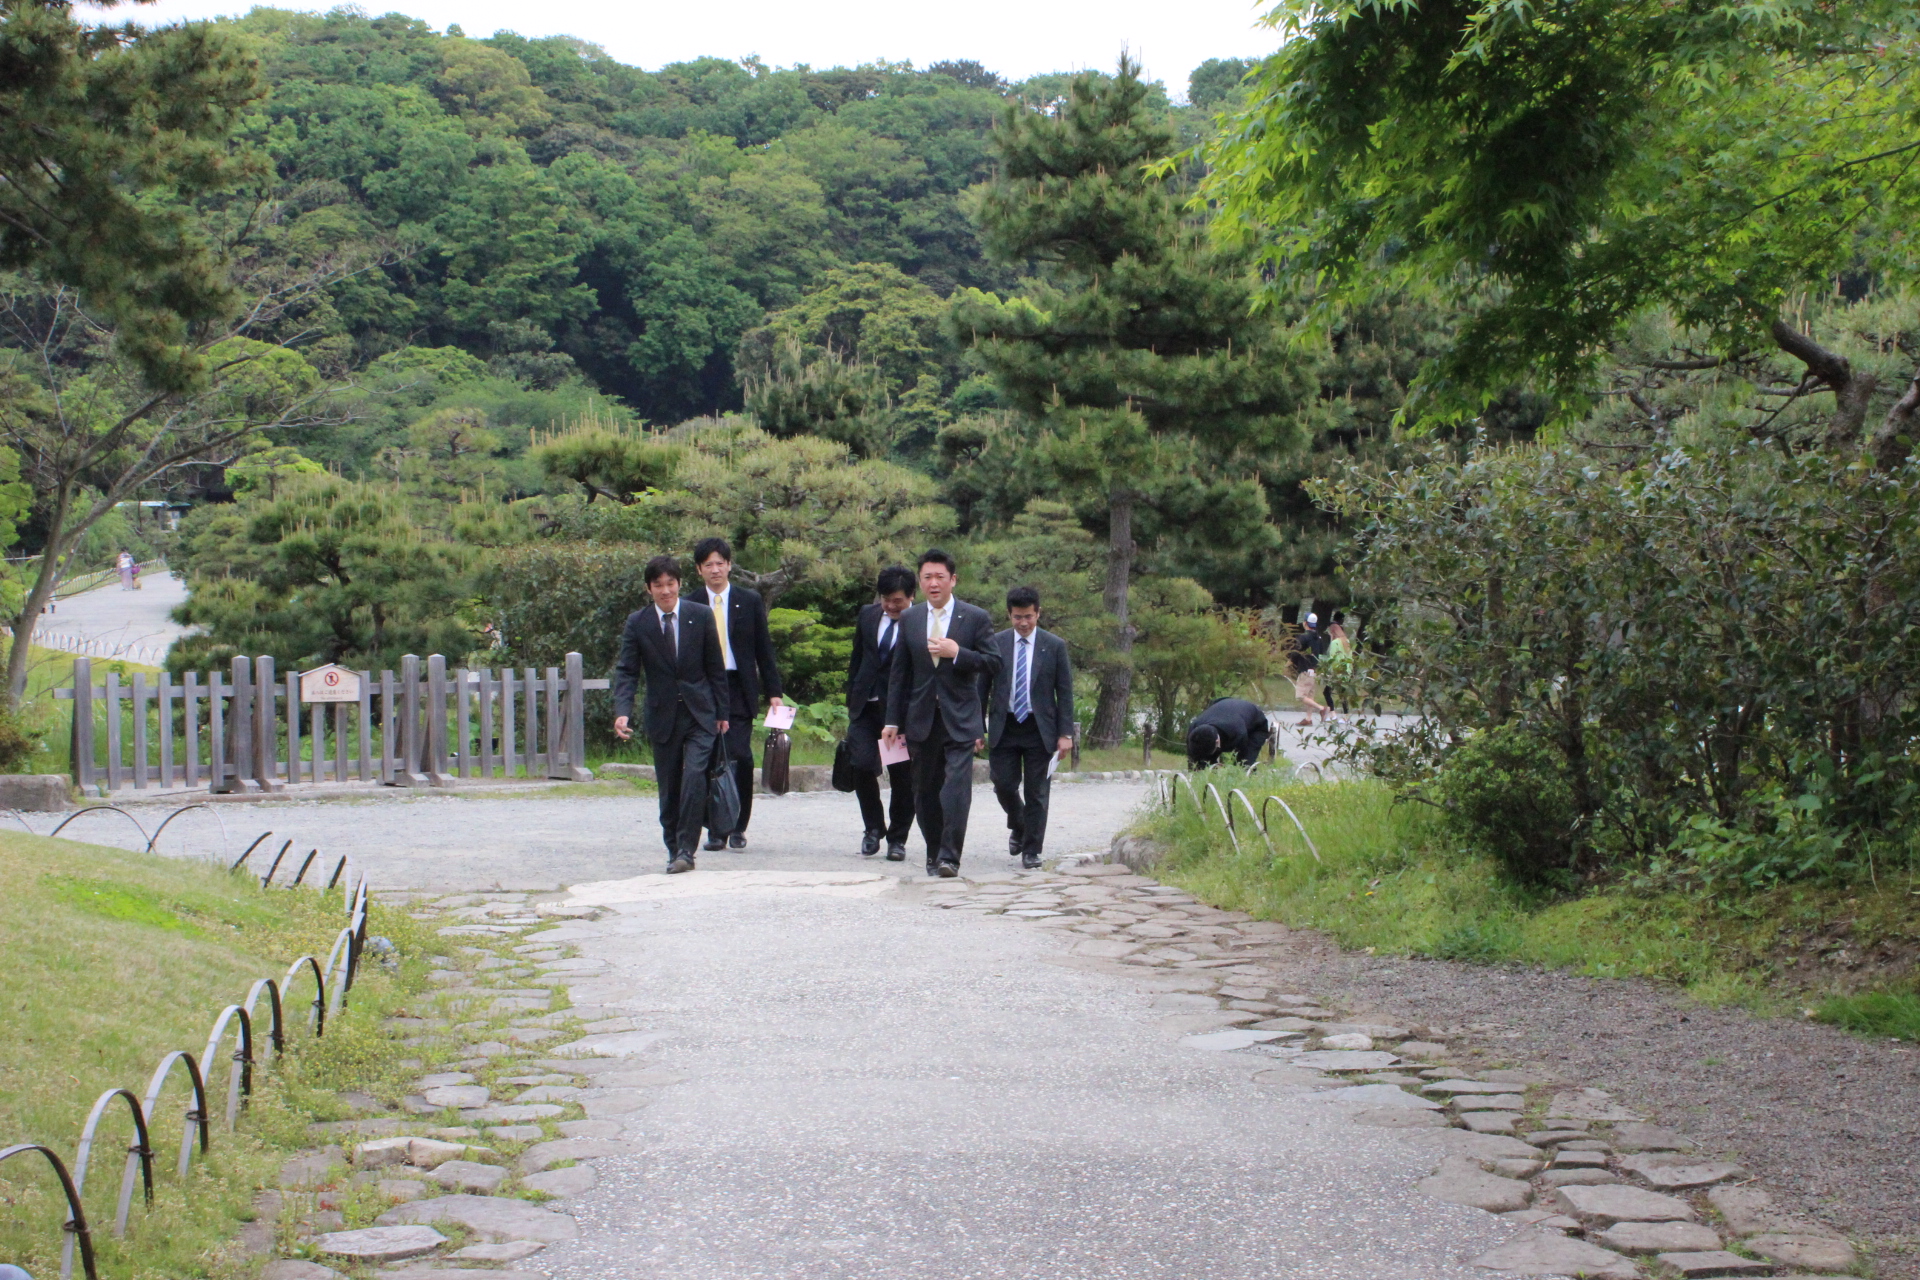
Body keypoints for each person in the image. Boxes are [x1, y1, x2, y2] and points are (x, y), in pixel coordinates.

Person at [882, 549, 1002, 877]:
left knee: (956, 789)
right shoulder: (910, 618)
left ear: (953, 580)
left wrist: (958, 652)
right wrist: (892, 720)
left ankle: (950, 857)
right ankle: (934, 851)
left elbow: (994, 662)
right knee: (924, 791)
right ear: (920, 582)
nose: (933, 583)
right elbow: (900, 673)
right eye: (927, 577)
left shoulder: (974, 617)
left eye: (940, 577)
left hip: (960, 717)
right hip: (921, 717)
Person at [612, 554, 728, 874]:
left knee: (694, 777)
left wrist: (722, 711)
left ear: (679, 584)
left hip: (700, 713)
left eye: (671, 583)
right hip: (662, 714)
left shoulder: (700, 615)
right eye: (658, 585)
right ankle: (674, 847)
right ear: (648, 588)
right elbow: (627, 671)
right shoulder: (639, 623)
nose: (665, 591)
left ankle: (687, 849)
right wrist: (622, 712)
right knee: (670, 785)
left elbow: (715, 667)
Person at [690, 537, 784, 851]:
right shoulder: (691, 603)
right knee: (708, 758)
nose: (715, 569)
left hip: (738, 687)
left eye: (720, 563)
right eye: (708, 565)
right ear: (699, 569)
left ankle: (738, 825)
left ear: (730, 565)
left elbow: (763, 648)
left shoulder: (749, 600)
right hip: (703, 689)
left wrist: (774, 692)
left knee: (739, 756)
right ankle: (715, 828)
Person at [983, 586, 1074, 870]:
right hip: (1005, 725)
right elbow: (981, 687)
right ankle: (1019, 823)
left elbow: (1065, 692)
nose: (1023, 623)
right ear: (1009, 615)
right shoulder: (996, 643)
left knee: (1038, 792)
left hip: (1040, 728)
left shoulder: (1054, 645)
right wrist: (975, 727)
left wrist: (1065, 733)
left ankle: (1032, 850)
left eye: (1029, 617)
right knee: (1003, 784)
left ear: (1038, 613)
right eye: (1017, 617)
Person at [845, 565, 917, 860]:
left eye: (897, 600)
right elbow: (858, 657)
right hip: (865, 706)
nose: (890, 606)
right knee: (860, 765)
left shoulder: (920, 622)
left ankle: (898, 839)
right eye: (886, 599)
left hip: (898, 712)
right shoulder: (868, 615)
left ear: (911, 596)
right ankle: (873, 827)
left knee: (901, 776)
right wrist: (851, 696)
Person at [1186, 697, 1271, 769]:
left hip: (1256, 725)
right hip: (1224, 708)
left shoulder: (1238, 733)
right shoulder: (1194, 728)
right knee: (1202, 764)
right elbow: (1193, 760)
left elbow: (1241, 754)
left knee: (1243, 764)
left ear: (1217, 742)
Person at [1290, 612, 1331, 727]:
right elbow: (1321, 652)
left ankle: (1322, 708)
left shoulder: (1303, 637)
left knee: (1300, 696)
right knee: (1310, 696)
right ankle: (1308, 718)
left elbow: (1295, 653)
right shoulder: (1319, 638)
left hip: (1305, 669)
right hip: (1315, 670)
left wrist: (1290, 662)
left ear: (1305, 623)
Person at [1322, 620, 1354, 717]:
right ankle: (1346, 715)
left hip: (1336, 671)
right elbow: (1350, 657)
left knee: (1327, 692)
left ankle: (1333, 713)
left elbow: (1332, 658)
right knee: (1342, 694)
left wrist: (1329, 672)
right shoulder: (1347, 641)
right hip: (1346, 671)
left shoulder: (1334, 643)